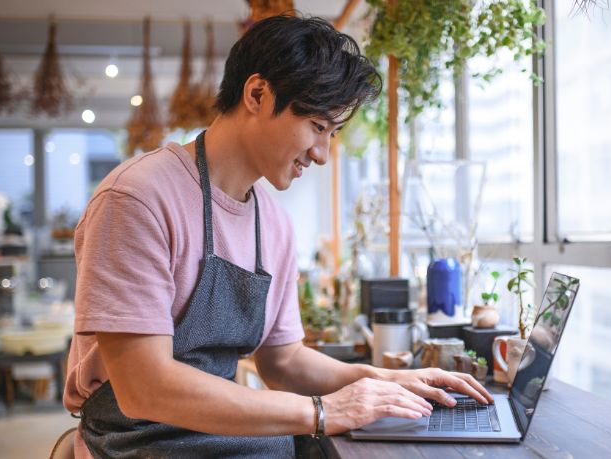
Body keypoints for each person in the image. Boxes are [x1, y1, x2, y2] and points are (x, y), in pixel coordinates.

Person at [64, 14, 493, 458]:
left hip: (225, 437)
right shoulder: (138, 197)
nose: (322, 155)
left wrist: (383, 380)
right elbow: (144, 388)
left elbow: (284, 362)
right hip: (136, 441)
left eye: (332, 133)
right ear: (256, 94)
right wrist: (323, 411)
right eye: (317, 127)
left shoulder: (272, 221)